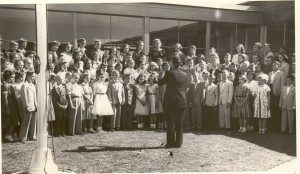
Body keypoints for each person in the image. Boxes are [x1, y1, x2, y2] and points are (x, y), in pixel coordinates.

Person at [158, 56, 188, 148]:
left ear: (174, 64)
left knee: (170, 122)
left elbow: (160, 83)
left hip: (170, 101)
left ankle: (170, 143)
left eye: (171, 63)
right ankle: (178, 143)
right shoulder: (185, 74)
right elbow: (185, 88)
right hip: (182, 101)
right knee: (179, 123)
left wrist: (160, 76)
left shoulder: (169, 72)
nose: (170, 64)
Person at [2, 70, 20, 142]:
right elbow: (5, 98)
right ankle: (8, 134)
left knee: (14, 120)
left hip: (13, 104)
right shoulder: (5, 86)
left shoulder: (10, 85)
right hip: (9, 105)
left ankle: (9, 134)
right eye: (12, 77)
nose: (13, 79)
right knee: (9, 120)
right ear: (8, 78)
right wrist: (7, 108)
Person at [19, 71, 37, 143]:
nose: (33, 78)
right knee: (26, 122)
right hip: (28, 105)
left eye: (34, 76)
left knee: (33, 122)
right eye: (32, 76)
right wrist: (26, 106)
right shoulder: (24, 85)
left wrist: (36, 105)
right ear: (28, 76)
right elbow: (24, 96)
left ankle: (32, 136)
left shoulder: (33, 85)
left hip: (33, 105)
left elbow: (35, 97)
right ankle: (23, 137)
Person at [268, 61, 286, 131]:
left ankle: (277, 126)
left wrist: (282, 95)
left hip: (277, 93)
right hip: (270, 92)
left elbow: (282, 85)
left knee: (277, 109)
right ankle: (271, 126)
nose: (273, 66)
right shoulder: (270, 73)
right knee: (271, 108)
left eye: (275, 65)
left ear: (278, 66)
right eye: (273, 65)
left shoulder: (281, 73)